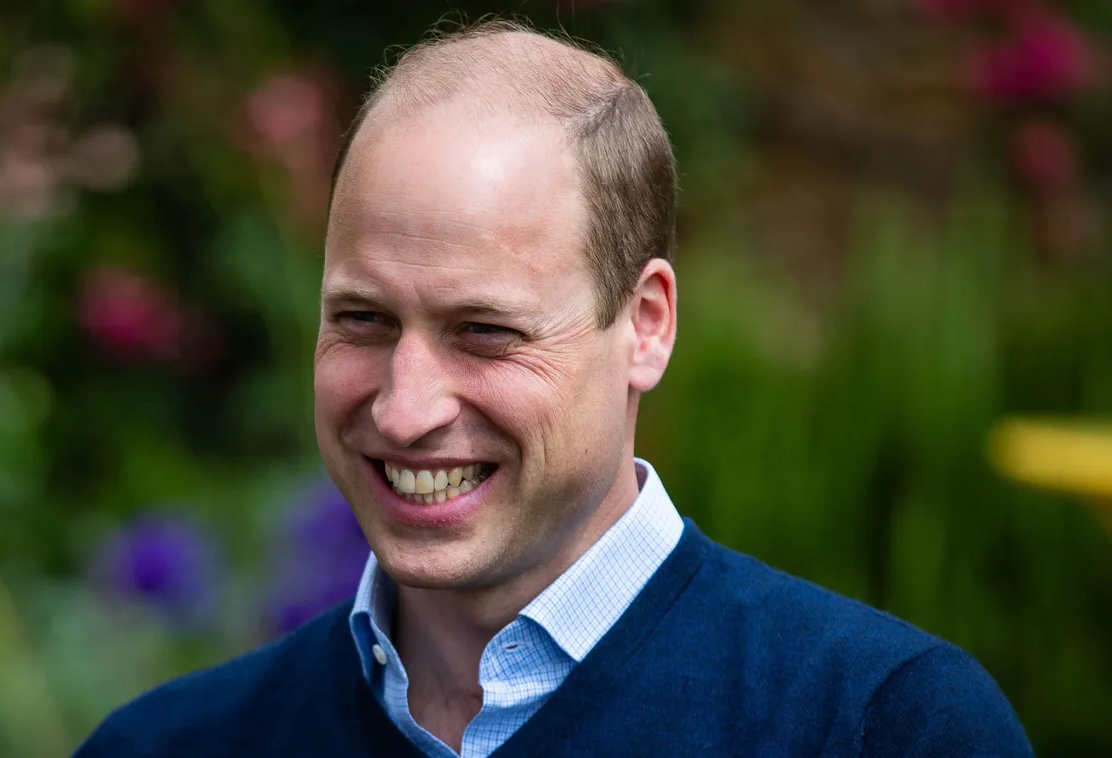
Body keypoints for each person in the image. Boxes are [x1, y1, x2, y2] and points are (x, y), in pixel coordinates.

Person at [74, 19, 1033, 757]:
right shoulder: (166, 745)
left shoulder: (879, 727)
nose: (406, 408)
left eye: (484, 332)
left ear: (646, 325)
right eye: (363, 320)